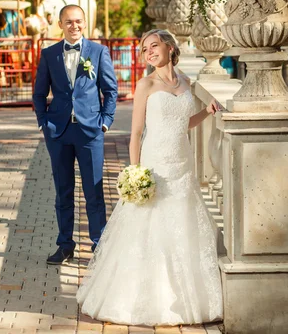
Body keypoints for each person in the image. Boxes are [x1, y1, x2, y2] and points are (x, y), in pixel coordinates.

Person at [76, 29, 223, 326]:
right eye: (144, 50)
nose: (149, 52)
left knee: (182, 228)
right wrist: (135, 172)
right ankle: (140, 299)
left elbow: (184, 123)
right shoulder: (146, 85)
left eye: (154, 46)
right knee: (148, 230)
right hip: (154, 164)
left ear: (170, 47)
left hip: (181, 166)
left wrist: (206, 112)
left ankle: (187, 299)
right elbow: (135, 134)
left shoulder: (187, 83)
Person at [33, 5, 118, 265]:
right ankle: (65, 245)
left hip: (90, 131)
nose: (75, 26)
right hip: (58, 132)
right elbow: (38, 93)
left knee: (94, 192)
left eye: (79, 21)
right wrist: (43, 123)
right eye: (69, 22)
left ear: (85, 23)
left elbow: (111, 91)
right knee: (63, 191)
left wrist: (105, 123)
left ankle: (99, 245)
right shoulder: (49, 54)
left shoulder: (99, 51)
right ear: (61, 24)